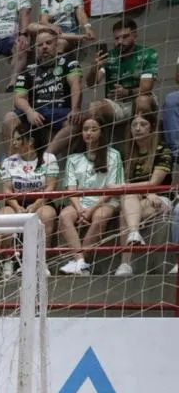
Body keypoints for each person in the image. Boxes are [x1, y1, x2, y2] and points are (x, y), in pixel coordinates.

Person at [57, 116, 123, 275]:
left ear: (101, 132)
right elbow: (71, 189)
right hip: (80, 203)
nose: (89, 133)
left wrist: (91, 209)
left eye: (94, 129)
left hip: (105, 201)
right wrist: (79, 209)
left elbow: (111, 189)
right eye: (86, 129)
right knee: (65, 215)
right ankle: (80, 261)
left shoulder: (113, 155)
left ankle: (81, 261)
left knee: (101, 216)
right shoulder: (73, 158)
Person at [6, 28, 80, 156]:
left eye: (48, 43)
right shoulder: (28, 69)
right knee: (9, 117)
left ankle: (47, 158)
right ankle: (12, 163)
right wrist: (29, 112)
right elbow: (19, 98)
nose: (44, 47)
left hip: (60, 110)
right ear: (35, 49)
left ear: (56, 45)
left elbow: (75, 85)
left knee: (76, 121)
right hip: (36, 112)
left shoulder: (68, 61)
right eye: (40, 45)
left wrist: (75, 108)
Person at [115, 112, 172, 277]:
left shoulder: (163, 149)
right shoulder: (129, 153)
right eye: (134, 125)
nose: (138, 128)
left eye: (143, 124)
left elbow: (155, 184)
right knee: (127, 201)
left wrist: (146, 192)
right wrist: (146, 194)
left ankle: (125, 263)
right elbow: (134, 189)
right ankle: (134, 233)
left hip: (162, 198)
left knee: (125, 211)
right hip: (140, 198)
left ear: (152, 128)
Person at [84, 18, 157, 127]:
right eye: (117, 38)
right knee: (93, 107)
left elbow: (146, 88)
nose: (120, 42)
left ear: (135, 35)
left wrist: (126, 92)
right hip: (116, 103)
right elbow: (91, 84)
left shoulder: (148, 54)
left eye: (125, 37)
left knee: (142, 101)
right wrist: (94, 68)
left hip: (137, 99)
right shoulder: (109, 56)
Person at [0, 125, 60, 248]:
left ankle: (41, 261)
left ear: (31, 141)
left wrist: (36, 205)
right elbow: (6, 190)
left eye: (18, 139)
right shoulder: (8, 161)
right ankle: (8, 262)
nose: (14, 143)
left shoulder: (49, 159)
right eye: (13, 139)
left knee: (46, 215)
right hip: (16, 202)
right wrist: (17, 207)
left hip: (43, 202)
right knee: (5, 216)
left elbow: (51, 187)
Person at [29, 0, 93, 55]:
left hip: (69, 32)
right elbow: (43, 20)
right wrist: (50, 27)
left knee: (60, 42)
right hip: (51, 31)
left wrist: (87, 28)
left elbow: (81, 14)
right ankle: (78, 37)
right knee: (31, 27)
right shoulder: (46, 0)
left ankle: (58, 64)